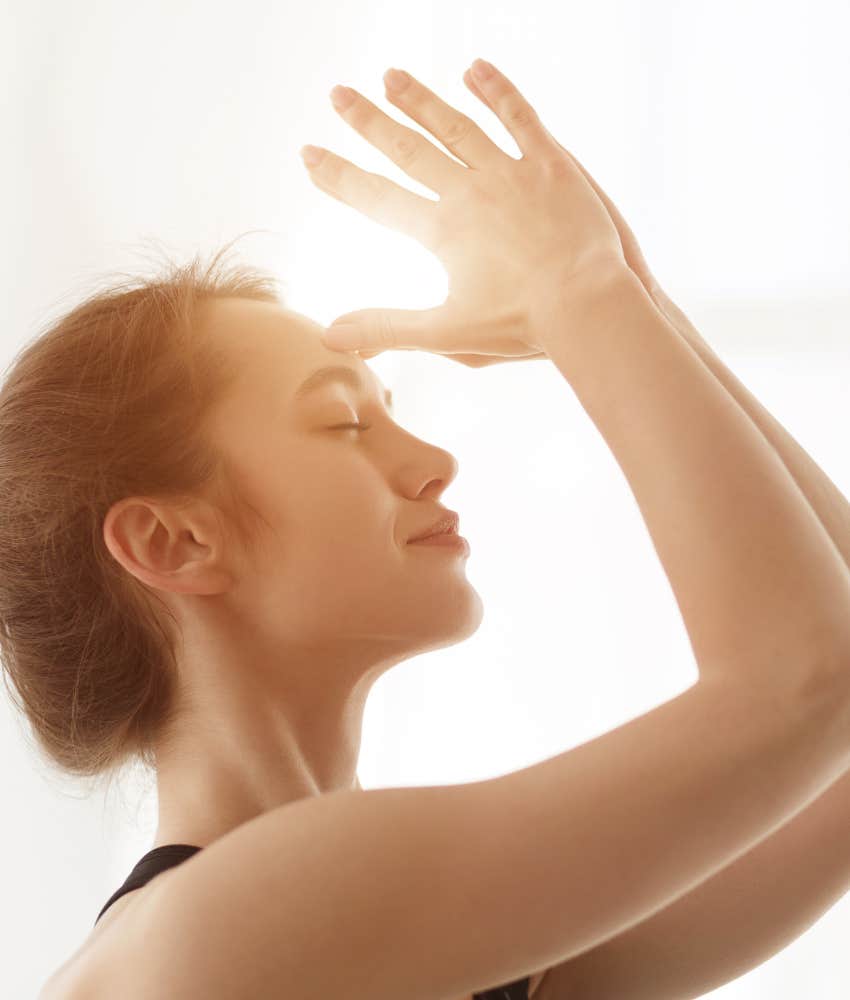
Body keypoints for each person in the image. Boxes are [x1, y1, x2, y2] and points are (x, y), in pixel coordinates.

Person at [14, 59, 850, 999]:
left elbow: (832, 693)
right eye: (344, 422)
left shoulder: (359, 938)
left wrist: (628, 295)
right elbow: (805, 679)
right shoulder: (223, 928)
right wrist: (581, 288)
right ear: (175, 545)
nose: (432, 460)